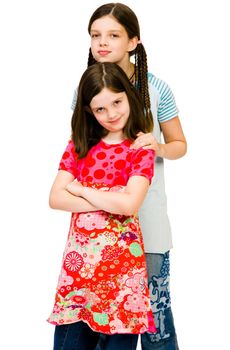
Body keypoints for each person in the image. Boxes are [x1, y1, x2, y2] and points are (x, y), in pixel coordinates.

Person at [71, 3, 187, 350]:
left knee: (155, 323)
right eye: (95, 35)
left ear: (134, 41)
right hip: (99, 228)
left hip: (147, 223)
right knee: (98, 322)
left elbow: (180, 144)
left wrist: (157, 147)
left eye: (113, 35)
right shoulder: (86, 89)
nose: (102, 43)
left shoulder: (156, 88)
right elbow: (76, 155)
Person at [47, 62, 157, 350]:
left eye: (117, 102)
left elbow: (129, 204)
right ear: (89, 111)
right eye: (100, 109)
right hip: (79, 276)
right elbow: (56, 198)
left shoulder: (140, 148)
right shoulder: (80, 146)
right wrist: (111, 198)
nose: (112, 114)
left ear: (128, 97)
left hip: (123, 281)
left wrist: (83, 190)